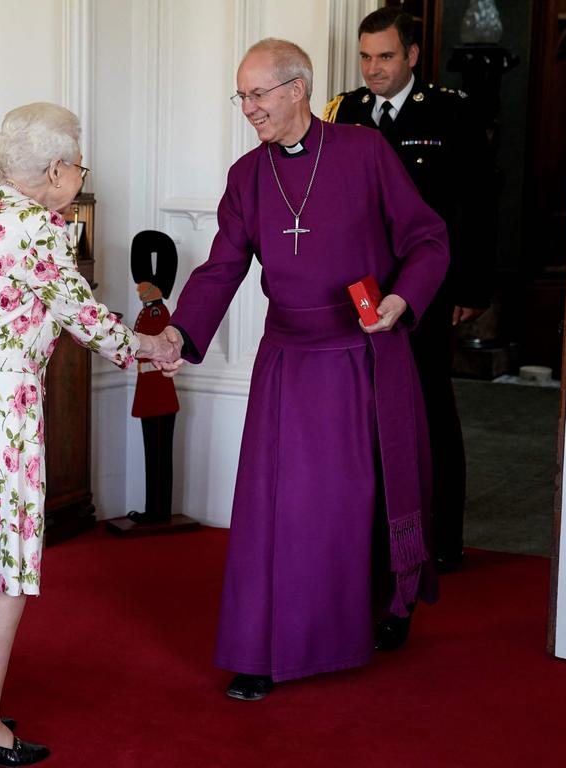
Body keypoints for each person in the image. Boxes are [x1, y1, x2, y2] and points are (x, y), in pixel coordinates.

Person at [157, 38, 449, 701]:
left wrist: (402, 301)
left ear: (297, 89)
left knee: (359, 499)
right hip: (288, 360)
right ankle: (262, 648)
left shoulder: (365, 153)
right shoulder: (246, 176)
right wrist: (180, 329)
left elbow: (427, 238)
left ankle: (383, 610)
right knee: (276, 510)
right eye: (243, 96)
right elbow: (222, 267)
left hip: (363, 351)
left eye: (258, 94)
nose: (249, 109)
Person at [0, 102, 178, 766]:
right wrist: (149, 346)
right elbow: (83, 316)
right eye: (78, 164)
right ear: (55, 169)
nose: (79, 175)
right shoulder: (42, 228)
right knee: (6, 569)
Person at [324, 7, 494, 573]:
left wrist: (471, 286)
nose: (373, 69)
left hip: (425, 286)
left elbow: (476, 207)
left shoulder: (450, 113)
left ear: (413, 56)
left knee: (428, 408)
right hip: (360, 288)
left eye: (386, 56)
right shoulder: (345, 112)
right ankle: (375, 535)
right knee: (365, 408)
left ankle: (442, 539)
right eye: (366, 56)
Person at [126, 230, 180, 525]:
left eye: (143, 285)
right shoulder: (150, 310)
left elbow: (155, 347)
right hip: (151, 388)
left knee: (159, 454)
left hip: (157, 389)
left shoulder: (157, 313)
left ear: (154, 288)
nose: (139, 290)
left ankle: (159, 510)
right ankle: (155, 508)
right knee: (154, 454)